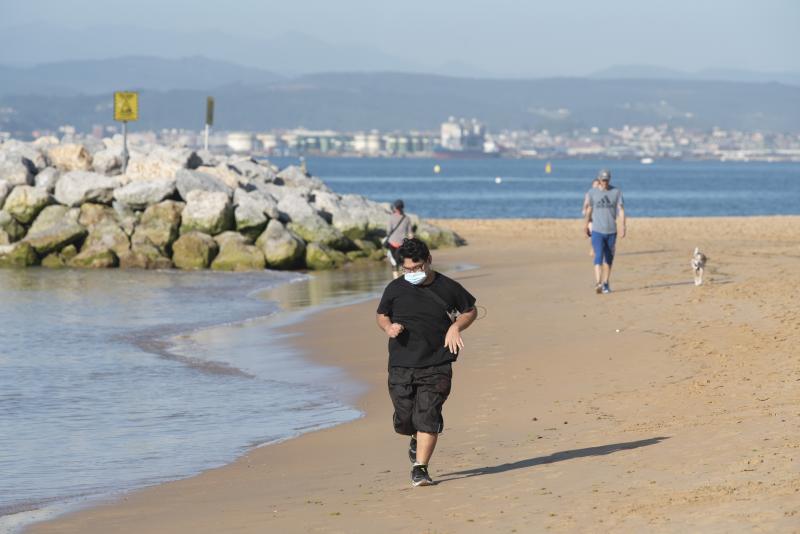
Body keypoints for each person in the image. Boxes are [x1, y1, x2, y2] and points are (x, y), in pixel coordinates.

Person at [375, 238, 477, 486]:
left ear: (429, 261)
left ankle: (420, 468)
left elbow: (470, 310)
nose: (412, 273)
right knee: (404, 418)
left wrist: (455, 327)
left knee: (428, 417)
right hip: (401, 363)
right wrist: (389, 327)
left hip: (437, 362)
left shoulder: (447, 286)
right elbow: (381, 315)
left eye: (417, 267)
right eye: (407, 269)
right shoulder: (395, 288)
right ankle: (414, 436)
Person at [583, 169, 626, 294]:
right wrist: (585, 225)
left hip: (611, 230)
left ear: (609, 179)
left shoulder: (616, 192)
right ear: (599, 180)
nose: (605, 182)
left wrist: (623, 226)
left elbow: (621, 210)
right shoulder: (592, 192)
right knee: (598, 256)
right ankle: (598, 283)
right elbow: (589, 210)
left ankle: (606, 282)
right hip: (597, 230)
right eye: (603, 180)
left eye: (607, 180)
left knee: (609, 258)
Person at [385, 199, 414, 279]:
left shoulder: (391, 217)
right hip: (402, 244)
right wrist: (412, 244)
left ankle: (396, 280)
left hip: (392, 244)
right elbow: (410, 233)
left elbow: (388, 231)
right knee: (403, 262)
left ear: (395, 208)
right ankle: (405, 280)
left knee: (394, 263)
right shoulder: (407, 218)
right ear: (402, 207)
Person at [582, 178, 600, 256]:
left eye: (597, 184)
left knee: (598, 234)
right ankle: (592, 249)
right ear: (592, 185)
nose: (596, 186)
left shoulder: (602, 194)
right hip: (590, 217)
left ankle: (597, 249)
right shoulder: (589, 194)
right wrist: (584, 210)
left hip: (599, 217)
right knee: (592, 235)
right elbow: (586, 203)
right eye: (595, 184)